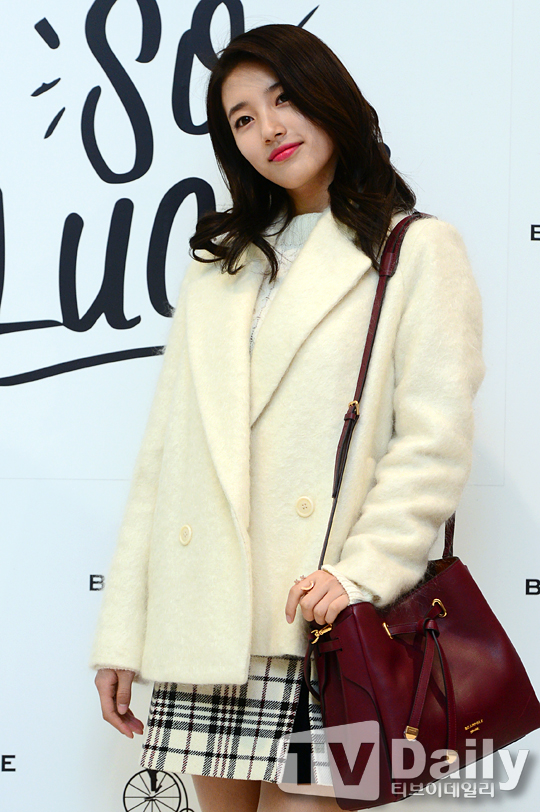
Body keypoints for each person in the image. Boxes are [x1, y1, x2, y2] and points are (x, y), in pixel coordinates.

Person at [91, 23, 485, 812]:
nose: (268, 128)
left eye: (284, 99)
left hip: (322, 621)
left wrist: (360, 575)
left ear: (329, 99)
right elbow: (168, 458)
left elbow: (433, 444)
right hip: (207, 626)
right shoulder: (220, 266)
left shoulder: (415, 251)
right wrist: (124, 634)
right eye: (242, 118)